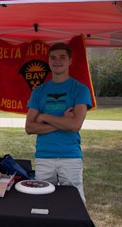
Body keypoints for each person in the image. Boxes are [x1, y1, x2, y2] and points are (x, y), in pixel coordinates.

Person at [25, 43, 92, 202]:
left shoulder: (80, 89)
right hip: (44, 156)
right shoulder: (39, 90)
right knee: (42, 202)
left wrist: (45, 117)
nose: (57, 61)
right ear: (48, 61)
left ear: (70, 60)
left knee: (73, 203)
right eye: (53, 57)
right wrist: (63, 121)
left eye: (62, 57)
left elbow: (75, 125)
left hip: (70, 156)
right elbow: (29, 127)